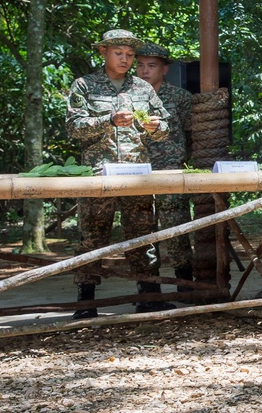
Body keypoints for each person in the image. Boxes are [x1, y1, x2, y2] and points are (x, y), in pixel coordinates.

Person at [65, 29, 172, 318]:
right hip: (99, 175)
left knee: (143, 235)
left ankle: (149, 295)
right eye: (118, 54)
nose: (125, 60)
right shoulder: (85, 85)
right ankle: (86, 301)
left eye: (129, 55)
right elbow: (73, 127)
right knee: (92, 237)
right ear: (103, 52)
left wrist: (155, 127)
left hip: (137, 173)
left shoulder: (143, 88)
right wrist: (108, 120)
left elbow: (165, 127)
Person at [136, 42, 194, 284]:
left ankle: (184, 285)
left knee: (177, 230)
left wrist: (180, 159)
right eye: (139, 66)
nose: (145, 71)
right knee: (142, 233)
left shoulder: (180, 97)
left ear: (164, 69)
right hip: (137, 173)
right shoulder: (127, 98)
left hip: (171, 173)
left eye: (151, 66)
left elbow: (193, 134)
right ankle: (148, 291)